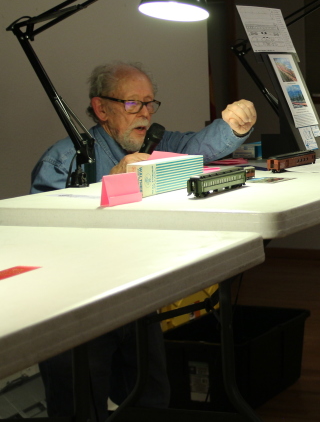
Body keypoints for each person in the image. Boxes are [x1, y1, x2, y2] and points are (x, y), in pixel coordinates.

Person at [30, 61, 257, 420]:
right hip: (77, 306)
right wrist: (109, 188)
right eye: (133, 103)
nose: (145, 113)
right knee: (80, 406)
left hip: (136, 294)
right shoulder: (64, 160)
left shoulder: (157, 143)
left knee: (151, 398)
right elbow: (45, 241)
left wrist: (233, 126)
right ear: (101, 108)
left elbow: (198, 147)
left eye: (150, 103)